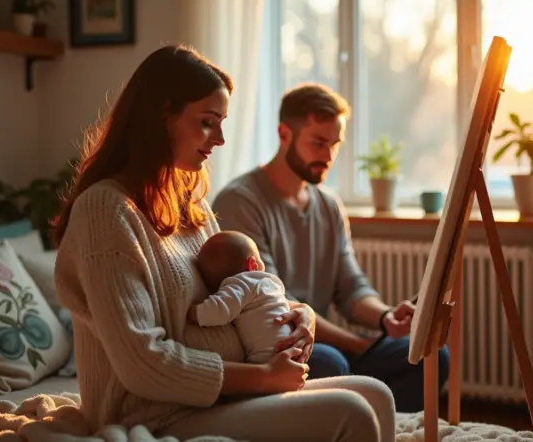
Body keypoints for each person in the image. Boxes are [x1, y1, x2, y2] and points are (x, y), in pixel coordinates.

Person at [52, 46, 396, 442]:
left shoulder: (188, 201)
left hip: (220, 398)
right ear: (162, 115)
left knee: (375, 394)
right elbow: (142, 364)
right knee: (350, 412)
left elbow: (242, 286)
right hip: (157, 413)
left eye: (221, 123)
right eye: (207, 122)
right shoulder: (105, 210)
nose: (219, 139)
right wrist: (263, 377)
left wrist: (301, 316)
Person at [212, 82, 450, 413]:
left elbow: (351, 288)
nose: (328, 156)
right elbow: (273, 302)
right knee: (330, 362)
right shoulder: (241, 201)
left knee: (430, 354)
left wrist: (385, 318)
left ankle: (384, 430)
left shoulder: (329, 206)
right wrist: (358, 344)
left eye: (334, 145)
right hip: (276, 351)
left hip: (327, 343)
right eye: (318, 143)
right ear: (284, 134)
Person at [188, 230, 292, 365]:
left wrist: (194, 312)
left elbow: (218, 310)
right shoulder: (259, 283)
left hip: (267, 357)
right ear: (252, 265)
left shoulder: (243, 285)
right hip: (288, 347)